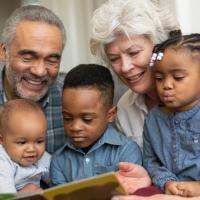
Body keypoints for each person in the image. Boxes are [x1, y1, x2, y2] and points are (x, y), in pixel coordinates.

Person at [90, 0, 180, 149]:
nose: (125, 67)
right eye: (114, 59)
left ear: (162, 46)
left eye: (134, 53)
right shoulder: (125, 109)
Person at [50, 64, 142, 185]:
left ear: (110, 115)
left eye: (87, 119)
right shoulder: (59, 160)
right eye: (67, 118)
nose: (75, 127)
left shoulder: (126, 151)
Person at [0, 4, 67, 154]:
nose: (39, 71)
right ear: (4, 52)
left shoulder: (71, 97)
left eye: (51, 60)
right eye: (28, 57)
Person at [142, 33, 200, 197]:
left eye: (178, 77)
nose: (166, 85)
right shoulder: (153, 119)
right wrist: (166, 182)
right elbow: (150, 160)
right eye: (159, 78)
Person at [0, 99, 50, 193]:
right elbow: (5, 195)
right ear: (2, 140)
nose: (32, 149)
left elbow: (57, 179)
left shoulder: (42, 157)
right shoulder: (3, 161)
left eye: (39, 141)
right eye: (22, 142)